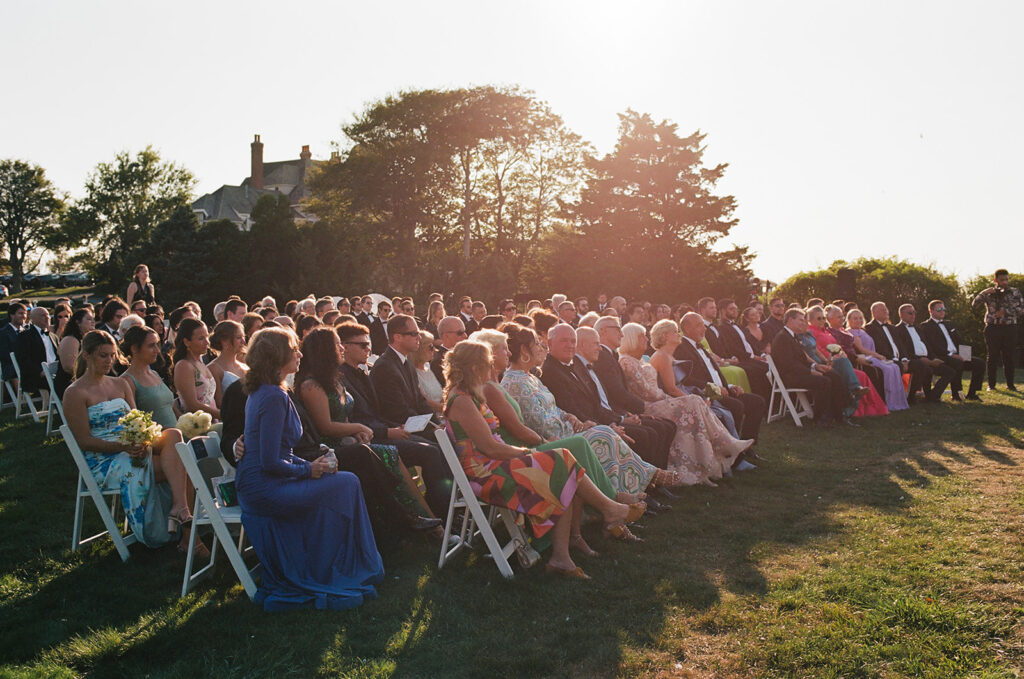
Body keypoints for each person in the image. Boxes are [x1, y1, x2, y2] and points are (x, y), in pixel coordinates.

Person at [444, 340, 644, 579]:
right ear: (475, 368)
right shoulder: (463, 402)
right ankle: (607, 511)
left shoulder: (469, 396)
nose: (491, 368)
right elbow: (489, 448)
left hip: (495, 464)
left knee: (562, 464)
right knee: (560, 462)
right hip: (486, 474)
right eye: (487, 364)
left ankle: (564, 554)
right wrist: (527, 453)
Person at [235, 327, 384, 610]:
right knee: (347, 483)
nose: (300, 353)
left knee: (344, 480)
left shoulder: (267, 392)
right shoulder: (272, 397)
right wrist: (308, 471)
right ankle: (331, 566)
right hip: (264, 489)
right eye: (294, 350)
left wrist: (313, 465)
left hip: (270, 479)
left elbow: (280, 453)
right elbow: (268, 461)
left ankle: (339, 562)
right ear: (278, 356)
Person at [501, 324, 681, 499]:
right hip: (552, 440)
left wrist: (570, 418)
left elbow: (555, 408)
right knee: (604, 434)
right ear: (525, 351)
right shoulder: (516, 382)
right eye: (537, 345)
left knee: (605, 432)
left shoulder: (529, 377)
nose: (542, 349)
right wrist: (576, 427)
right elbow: (540, 422)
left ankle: (633, 491)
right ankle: (636, 486)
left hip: (566, 430)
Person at [62, 330, 199, 553]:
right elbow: (84, 441)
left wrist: (142, 441)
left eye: (112, 355)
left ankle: (179, 508)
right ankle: (187, 534)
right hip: (105, 459)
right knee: (183, 465)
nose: (109, 361)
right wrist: (123, 447)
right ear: (86, 356)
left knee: (174, 435)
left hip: (132, 447)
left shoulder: (120, 384)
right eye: (102, 356)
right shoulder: (75, 392)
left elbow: (139, 421)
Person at [294, 327, 442, 533]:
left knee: (394, 454)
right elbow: (325, 426)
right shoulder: (311, 385)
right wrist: (359, 428)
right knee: (389, 454)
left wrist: (356, 433)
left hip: (351, 439)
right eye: (337, 345)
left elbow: (345, 416)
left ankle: (425, 518)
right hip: (329, 447)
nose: (341, 349)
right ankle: (416, 519)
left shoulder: (334, 379)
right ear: (325, 350)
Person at [336, 322, 452, 516]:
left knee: (442, 439)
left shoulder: (370, 369)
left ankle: (450, 504)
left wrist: (434, 422)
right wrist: (390, 430)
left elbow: (417, 400)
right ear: (345, 347)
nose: (368, 349)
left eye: (369, 344)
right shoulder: (350, 375)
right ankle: (441, 513)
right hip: (369, 436)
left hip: (387, 427)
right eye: (363, 345)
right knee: (431, 451)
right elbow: (371, 414)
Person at [630, 320, 756, 483]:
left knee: (721, 410)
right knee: (713, 410)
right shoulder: (662, 356)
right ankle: (728, 453)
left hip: (677, 398)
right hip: (668, 401)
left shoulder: (669, 355)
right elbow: (672, 389)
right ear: (665, 335)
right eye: (675, 331)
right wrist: (695, 401)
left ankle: (730, 454)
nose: (679, 334)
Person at [541, 324, 672, 471]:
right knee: (646, 435)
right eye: (564, 341)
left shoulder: (573, 367)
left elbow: (596, 404)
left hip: (600, 421)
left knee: (657, 429)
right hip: (583, 428)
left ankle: (656, 481)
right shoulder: (550, 371)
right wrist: (609, 427)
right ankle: (647, 484)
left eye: (573, 341)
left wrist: (617, 419)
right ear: (549, 344)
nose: (570, 345)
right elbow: (572, 409)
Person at [771, 308, 851, 426]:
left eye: (804, 320)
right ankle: (820, 418)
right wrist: (811, 371)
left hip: (798, 372)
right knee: (824, 381)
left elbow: (802, 358)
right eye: (801, 320)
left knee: (834, 376)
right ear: (790, 320)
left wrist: (817, 366)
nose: (804, 323)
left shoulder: (793, 336)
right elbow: (788, 364)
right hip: (790, 376)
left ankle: (839, 415)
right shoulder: (782, 337)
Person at [370, 314, 435, 424]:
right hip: (398, 430)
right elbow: (398, 412)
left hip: (414, 425)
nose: (419, 337)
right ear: (397, 337)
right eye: (414, 334)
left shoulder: (407, 362)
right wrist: (432, 427)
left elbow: (420, 401)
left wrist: (437, 423)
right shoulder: (384, 367)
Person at [841, 308, 909, 412]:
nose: (858, 320)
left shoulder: (862, 331)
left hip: (873, 356)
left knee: (895, 367)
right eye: (855, 318)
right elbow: (862, 349)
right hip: (867, 358)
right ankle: (888, 400)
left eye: (860, 318)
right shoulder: (851, 332)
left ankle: (897, 400)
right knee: (888, 370)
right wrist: (878, 355)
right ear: (849, 320)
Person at [864, 301, 933, 404]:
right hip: (886, 359)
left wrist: (905, 359)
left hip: (900, 359)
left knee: (920, 365)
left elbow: (901, 346)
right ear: (874, 313)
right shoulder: (870, 328)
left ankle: (911, 396)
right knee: (898, 366)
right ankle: (895, 399)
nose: (886, 312)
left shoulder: (892, 327)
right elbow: (879, 347)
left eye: (886, 309)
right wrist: (894, 359)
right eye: (883, 310)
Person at [919, 299, 984, 401]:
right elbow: (934, 346)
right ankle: (956, 393)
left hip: (956, 354)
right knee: (956, 362)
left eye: (944, 309)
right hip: (942, 356)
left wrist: (965, 355)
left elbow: (959, 340)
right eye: (939, 309)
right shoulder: (926, 326)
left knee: (979, 363)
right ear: (931, 311)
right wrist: (951, 355)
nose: (942, 311)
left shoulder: (949, 324)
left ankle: (972, 393)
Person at [119, 326, 180, 429]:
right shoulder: (127, 381)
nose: (157, 350)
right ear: (134, 348)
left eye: (157, 345)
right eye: (151, 346)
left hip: (177, 435)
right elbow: (134, 421)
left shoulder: (155, 374)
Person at [894, 304, 957, 403]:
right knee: (923, 367)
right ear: (901, 315)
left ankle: (933, 396)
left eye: (914, 313)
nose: (913, 315)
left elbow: (928, 346)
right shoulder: (897, 330)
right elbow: (903, 349)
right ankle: (912, 397)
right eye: (910, 313)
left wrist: (933, 358)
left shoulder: (918, 329)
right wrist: (919, 359)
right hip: (913, 360)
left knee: (950, 371)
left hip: (927, 359)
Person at [972, 269, 1023, 391]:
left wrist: (1006, 312)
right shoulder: (989, 293)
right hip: (993, 328)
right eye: (1002, 280)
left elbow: (1022, 309)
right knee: (992, 356)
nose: (1005, 282)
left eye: (1006, 279)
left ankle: (1010, 385)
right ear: (995, 280)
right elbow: (974, 304)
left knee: (1009, 356)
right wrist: (984, 293)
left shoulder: (1015, 292)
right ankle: (991, 385)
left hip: (1010, 328)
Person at [715, 298, 771, 401]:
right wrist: (752, 356)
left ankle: (773, 401)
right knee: (759, 370)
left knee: (768, 366)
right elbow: (732, 348)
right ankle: (764, 402)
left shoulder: (737, 326)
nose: (735, 311)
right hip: (742, 359)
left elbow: (750, 343)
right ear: (723, 310)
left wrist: (761, 355)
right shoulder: (722, 328)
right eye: (731, 309)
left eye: (736, 309)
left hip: (750, 357)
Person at [172, 318, 220, 420]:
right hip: (198, 425)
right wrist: (223, 415)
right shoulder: (184, 366)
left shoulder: (200, 363)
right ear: (187, 342)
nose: (207, 342)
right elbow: (192, 405)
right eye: (201, 338)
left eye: (207, 336)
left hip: (213, 420)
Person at [15, 306, 58, 396]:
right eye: (43, 315)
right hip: (36, 377)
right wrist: (40, 372)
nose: (47, 317)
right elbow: (23, 360)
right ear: (33, 319)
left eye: (48, 315)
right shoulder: (25, 336)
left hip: (55, 373)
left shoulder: (54, 336)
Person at [54, 307, 95, 398]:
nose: (93, 322)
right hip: (70, 385)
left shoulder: (86, 339)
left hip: (85, 381)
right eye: (88, 319)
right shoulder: (70, 339)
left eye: (93, 319)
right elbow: (69, 367)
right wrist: (92, 377)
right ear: (77, 322)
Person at [208, 320, 249, 397]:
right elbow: (219, 402)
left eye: (243, 337)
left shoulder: (245, 366)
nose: (243, 341)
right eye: (238, 338)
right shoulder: (214, 369)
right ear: (224, 341)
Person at [411, 329, 444, 414]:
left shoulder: (428, 367)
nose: (435, 350)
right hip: (433, 419)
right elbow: (425, 401)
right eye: (431, 347)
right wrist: (449, 410)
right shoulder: (412, 373)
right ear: (419, 349)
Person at [430, 316, 468, 384]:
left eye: (465, 331)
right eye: (460, 333)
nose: (465, 335)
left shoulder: (466, 355)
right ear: (446, 336)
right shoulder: (438, 362)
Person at [0, 302, 27, 389]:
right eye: (20, 313)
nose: (24, 316)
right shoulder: (3, 333)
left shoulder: (27, 331)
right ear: (12, 315)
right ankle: (22, 400)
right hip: (11, 367)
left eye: (25, 313)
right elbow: (5, 355)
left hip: (27, 365)